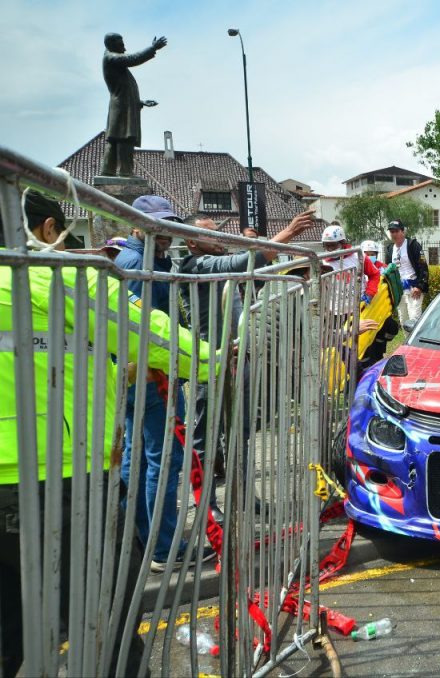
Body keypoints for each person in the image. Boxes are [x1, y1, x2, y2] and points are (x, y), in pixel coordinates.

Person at [0, 190, 212, 675]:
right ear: (46, 230)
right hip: (61, 478)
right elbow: (153, 334)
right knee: (106, 621)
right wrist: (214, 361)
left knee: (10, 631)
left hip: (54, 470)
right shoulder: (55, 277)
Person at [180, 209, 316, 512]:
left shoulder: (215, 263)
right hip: (208, 365)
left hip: (235, 361)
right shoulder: (197, 264)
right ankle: (205, 505)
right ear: (191, 242)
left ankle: (242, 496)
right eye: (209, 233)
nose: (219, 238)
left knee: (238, 433)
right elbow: (246, 260)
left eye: (219, 231)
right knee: (206, 438)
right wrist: (290, 232)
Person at [115, 195, 204, 571]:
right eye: (157, 225)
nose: (165, 233)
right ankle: (164, 547)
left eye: (168, 224)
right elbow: (145, 330)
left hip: (144, 377)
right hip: (153, 378)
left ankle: (139, 536)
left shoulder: (138, 259)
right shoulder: (138, 263)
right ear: (137, 224)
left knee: (137, 458)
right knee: (165, 460)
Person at [100, 33, 167, 177]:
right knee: (125, 138)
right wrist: (152, 48)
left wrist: (140, 102)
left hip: (123, 106)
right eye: (120, 42)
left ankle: (108, 170)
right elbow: (133, 59)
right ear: (111, 43)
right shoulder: (111, 58)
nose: (124, 45)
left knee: (115, 139)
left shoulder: (115, 62)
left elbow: (124, 88)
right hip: (122, 107)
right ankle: (125, 171)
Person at [383, 220, 429, 325]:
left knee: (414, 320)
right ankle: (406, 342)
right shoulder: (390, 249)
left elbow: (423, 267)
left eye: (396, 231)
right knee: (403, 320)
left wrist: (420, 286)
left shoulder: (413, 245)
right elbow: (387, 271)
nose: (394, 234)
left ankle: (415, 341)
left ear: (403, 231)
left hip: (414, 288)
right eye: (391, 231)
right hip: (399, 290)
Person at [321, 224, 380, 301]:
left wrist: (370, 293)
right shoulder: (323, 263)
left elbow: (374, 274)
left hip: (359, 305)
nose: (330, 249)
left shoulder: (358, 256)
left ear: (342, 243)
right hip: (336, 309)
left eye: (333, 245)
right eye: (326, 246)